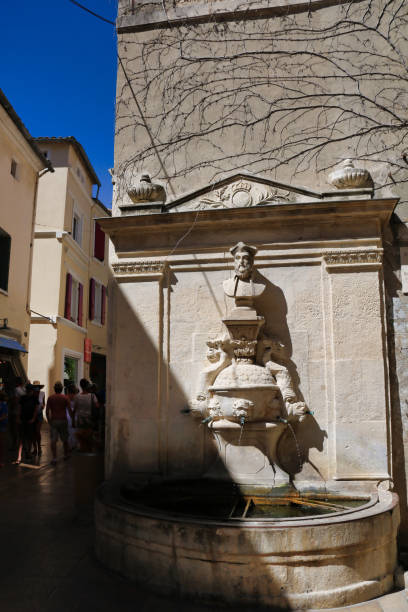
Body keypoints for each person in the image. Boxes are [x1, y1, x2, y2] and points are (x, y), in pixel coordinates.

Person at [45, 381, 70, 465]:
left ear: (54, 389)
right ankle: (66, 455)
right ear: (62, 389)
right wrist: (73, 420)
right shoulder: (65, 398)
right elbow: (69, 410)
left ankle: (54, 458)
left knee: (53, 440)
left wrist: (49, 421)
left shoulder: (50, 398)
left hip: (54, 420)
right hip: (63, 420)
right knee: (65, 439)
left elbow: (47, 411)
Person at [73, 379, 99, 452]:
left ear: (81, 386)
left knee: (81, 438)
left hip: (80, 420)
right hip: (89, 420)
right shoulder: (92, 396)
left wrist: (72, 420)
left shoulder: (77, 397)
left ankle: (83, 450)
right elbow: (97, 406)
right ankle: (88, 450)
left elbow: (74, 410)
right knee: (89, 437)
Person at [15, 384, 38, 464]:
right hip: (24, 419)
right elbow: (19, 408)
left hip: (30, 420)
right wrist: (18, 417)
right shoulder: (23, 398)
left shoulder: (34, 398)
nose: (29, 391)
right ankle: (20, 456)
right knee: (22, 438)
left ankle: (27, 453)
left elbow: (36, 409)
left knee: (29, 438)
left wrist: (33, 419)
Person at [9, 377, 25, 450]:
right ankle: (22, 444)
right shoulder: (24, 389)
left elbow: (15, 400)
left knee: (14, 429)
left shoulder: (16, 390)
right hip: (24, 411)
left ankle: (15, 444)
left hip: (16, 410)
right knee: (22, 429)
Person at [32, 380, 45, 456]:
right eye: (35, 387)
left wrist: (43, 407)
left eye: (38, 387)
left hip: (39, 414)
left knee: (37, 431)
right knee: (33, 432)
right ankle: (35, 448)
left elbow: (43, 403)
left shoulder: (42, 393)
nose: (37, 388)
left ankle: (39, 447)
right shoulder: (31, 394)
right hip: (32, 413)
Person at [66, 384, 78, 451]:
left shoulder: (66, 397)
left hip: (67, 415)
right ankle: (73, 445)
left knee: (68, 432)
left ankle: (69, 445)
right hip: (75, 415)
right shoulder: (76, 397)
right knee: (74, 431)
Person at [0, 391, 8, 467]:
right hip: (2, 425)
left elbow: (5, 416)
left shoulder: (4, 405)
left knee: (2, 444)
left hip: (2, 426)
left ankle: (2, 460)